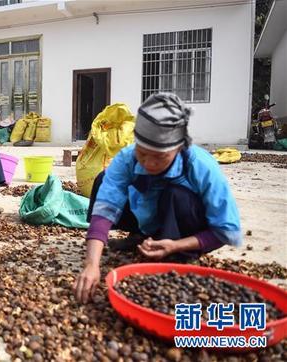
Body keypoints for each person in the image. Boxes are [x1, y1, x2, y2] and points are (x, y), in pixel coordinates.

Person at [73, 93, 242, 303]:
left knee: (176, 193)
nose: (149, 163)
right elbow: (105, 209)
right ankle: (141, 236)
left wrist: (175, 245)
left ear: (179, 147)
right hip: (149, 215)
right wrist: (91, 264)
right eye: (142, 153)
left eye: (160, 156)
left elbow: (226, 230)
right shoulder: (127, 158)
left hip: (184, 230)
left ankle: (177, 253)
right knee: (103, 179)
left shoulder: (201, 165)